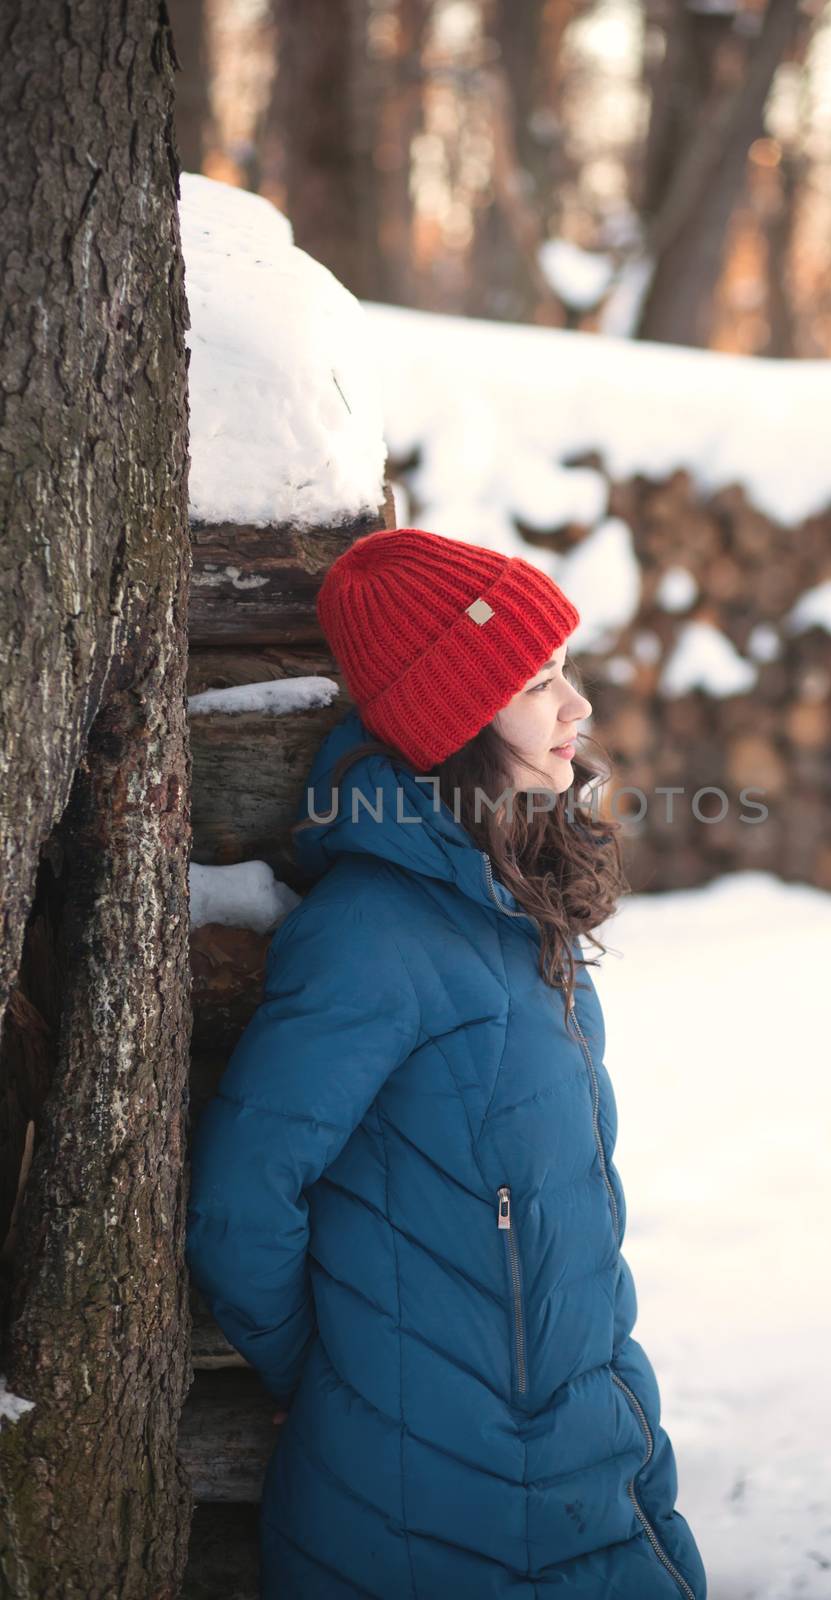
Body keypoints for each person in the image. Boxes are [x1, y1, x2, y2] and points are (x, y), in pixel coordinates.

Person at [186, 526, 708, 1599]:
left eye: (564, 670)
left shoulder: (521, 910)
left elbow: (568, 1233)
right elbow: (242, 1203)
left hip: (584, 1478)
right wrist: (348, 1383)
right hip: (433, 1520)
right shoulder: (372, 934)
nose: (577, 708)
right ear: (455, 720)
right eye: (533, 682)